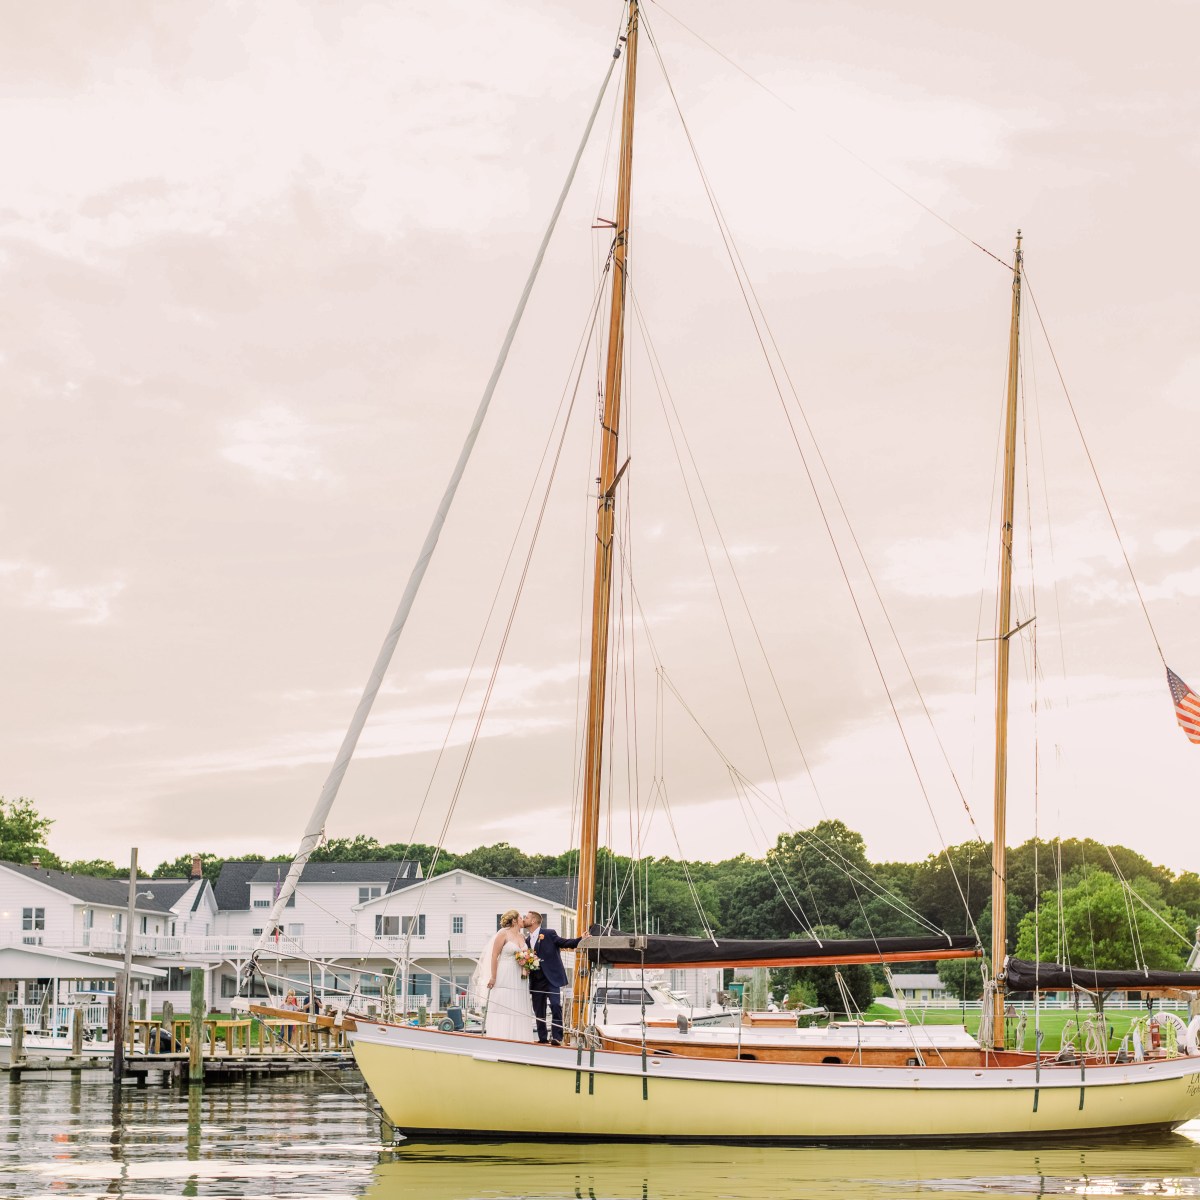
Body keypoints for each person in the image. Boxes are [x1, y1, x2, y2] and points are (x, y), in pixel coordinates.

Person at [522, 910, 581, 1046]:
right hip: (536, 980)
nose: (524, 919)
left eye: (526, 917)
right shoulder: (526, 940)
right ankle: (542, 1037)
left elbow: (564, 942)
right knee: (539, 1010)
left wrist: (580, 939)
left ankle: (557, 1037)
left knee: (555, 1005)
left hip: (551, 978)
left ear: (534, 921)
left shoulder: (549, 933)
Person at [477, 909, 534, 1041]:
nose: (523, 920)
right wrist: (493, 976)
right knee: (505, 1002)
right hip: (505, 972)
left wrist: (528, 963)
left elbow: (525, 955)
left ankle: (519, 1037)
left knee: (518, 1004)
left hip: (520, 976)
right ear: (514, 920)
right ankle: (501, 1036)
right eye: (520, 918)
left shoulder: (522, 936)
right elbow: (494, 955)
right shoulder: (503, 934)